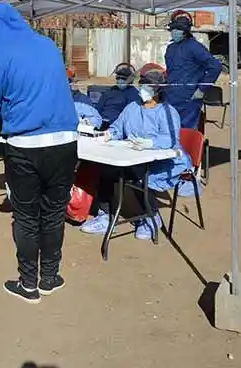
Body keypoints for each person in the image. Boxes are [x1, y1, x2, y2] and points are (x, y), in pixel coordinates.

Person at [0, 3, 79, 304]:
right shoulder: (47, 44)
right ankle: (50, 277)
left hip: (26, 145)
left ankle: (28, 284)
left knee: (26, 216)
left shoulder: (1, 54)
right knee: (54, 212)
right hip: (65, 142)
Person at [79, 69, 192, 241]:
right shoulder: (132, 107)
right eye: (142, 86)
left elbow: (171, 139)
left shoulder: (168, 113)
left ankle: (151, 216)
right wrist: (108, 135)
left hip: (162, 162)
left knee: (141, 177)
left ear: (157, 91)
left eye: (147, 87)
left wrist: (151, 143)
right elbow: (118, 127)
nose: (142, 90)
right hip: (132, 156)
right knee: (106, 171)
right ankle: (106, 216)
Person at [164, 10, 222, 130]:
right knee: (168, 131)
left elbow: (215, 66)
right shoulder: (171, 48)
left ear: (185, 31)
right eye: (173, 29)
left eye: (178, 29)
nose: (175, 32)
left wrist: (202, 89)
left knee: (186, 134)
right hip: (171, 97)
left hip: (189, 100)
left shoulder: (195, 47)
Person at [94, 63, 141, 129]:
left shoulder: (134, 94)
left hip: (117, 127)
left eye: (123, 79)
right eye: (118, 78)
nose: (120, 81)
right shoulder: (109, 91)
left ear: (131, 79)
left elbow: (129, 116)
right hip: (100, 123)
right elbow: (98, 109)